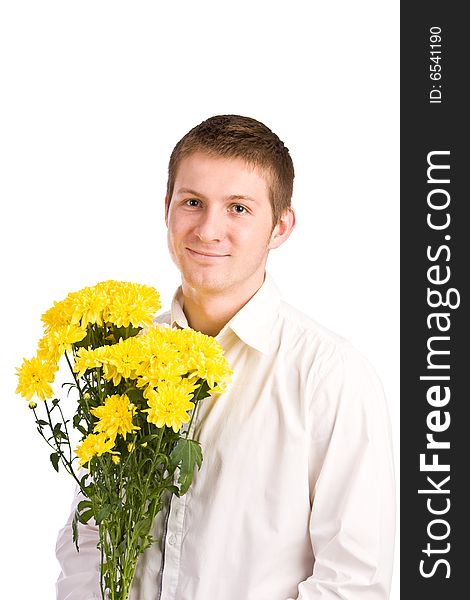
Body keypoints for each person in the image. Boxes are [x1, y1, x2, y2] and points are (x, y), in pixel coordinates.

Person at [56, 114, 395, 599]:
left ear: (280, 226)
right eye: (192, 202)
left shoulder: (330, 376)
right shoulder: (122, 357)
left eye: (238, 208)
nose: (208, 230)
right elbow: (88, 539)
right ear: (167, 209)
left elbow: (354, 582)